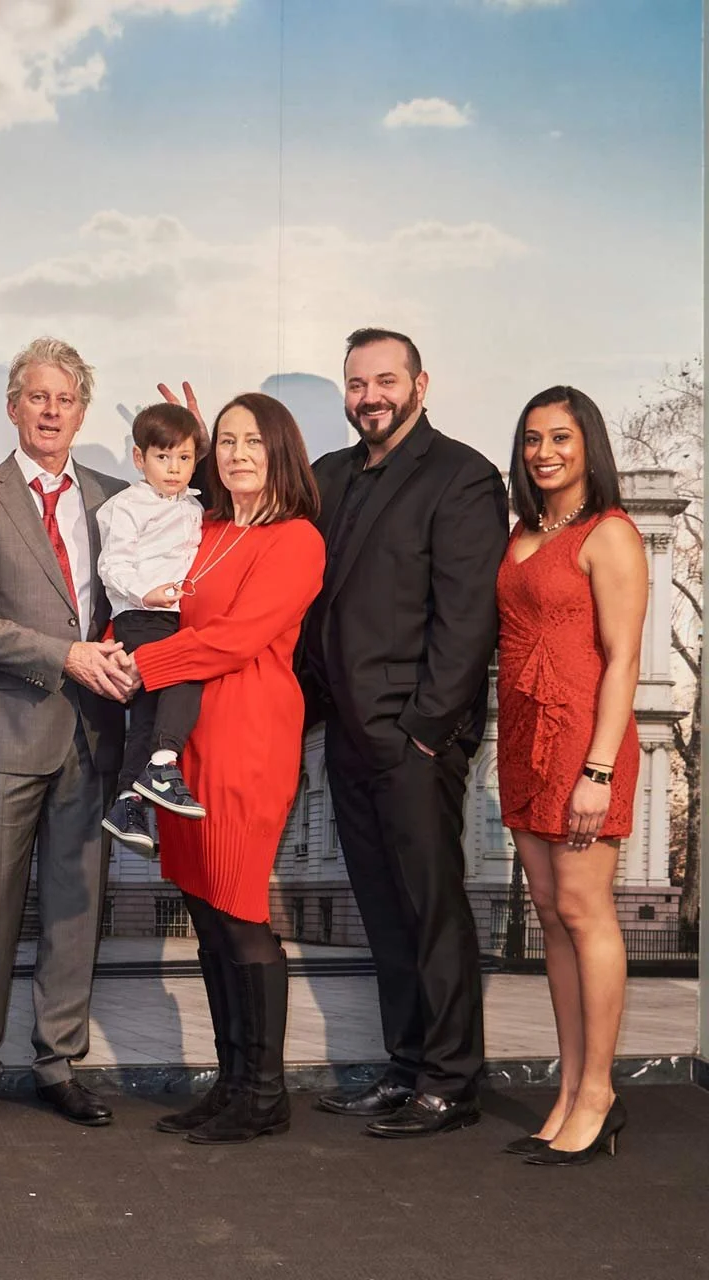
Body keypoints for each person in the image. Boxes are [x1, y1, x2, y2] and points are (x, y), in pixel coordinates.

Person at [300, 329, 508, 1138]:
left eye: (384, 380)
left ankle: (452, 1081)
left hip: (415, 739)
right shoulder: (332, 475)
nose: (369, 397)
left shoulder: (460, 475)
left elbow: (467, 619)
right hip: (347, 735)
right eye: (356, 384)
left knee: (431, 910)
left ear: (421, 383)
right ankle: (407, 1066)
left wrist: (426, 730)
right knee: (385, 912)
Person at [128, 392, 324, 1145]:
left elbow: (236, 640)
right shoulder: (200, 530)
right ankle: (233, 1080)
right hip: (188, 742)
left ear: (281, 450)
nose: (239, 453)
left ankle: (266, 1094)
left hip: (249, 735)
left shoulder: (297, 540)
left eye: (254, 441)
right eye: (228, 441)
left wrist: (143, 663)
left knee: (242, 916)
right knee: (208, 916)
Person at [0, 338, 130, 1132]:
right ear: (14, 408)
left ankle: (58, 1063)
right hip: (9, 727)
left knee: (74, 908)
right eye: (38, 397)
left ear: (82, 412)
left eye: (66, 399)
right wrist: (65, 656)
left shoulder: (119, 499)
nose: (52, 411)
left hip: (95, 735)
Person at [495, 386, 644, 1166]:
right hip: (524, 741)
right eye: (530, 439)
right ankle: (568, 1088)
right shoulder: (523, 530)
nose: (544, 451)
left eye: (560, 436)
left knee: (586, 912)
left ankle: (600, 1094)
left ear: (588, 444)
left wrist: (598, 767)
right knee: (552, 914)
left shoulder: (609, 533)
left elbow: (623, 658)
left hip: (586, 744)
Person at [98, 401, 209, 853]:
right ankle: (163, 764)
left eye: (184, 458)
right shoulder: (126, 506)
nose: (174, 468)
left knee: (147, 712)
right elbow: (112, 565)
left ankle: (127, 801)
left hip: (172, 614)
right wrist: (148, 593)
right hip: (142, 616)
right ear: (139, 458)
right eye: (163, 457)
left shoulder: (193, 507)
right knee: (186, 672)